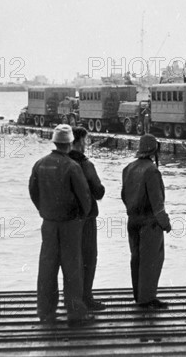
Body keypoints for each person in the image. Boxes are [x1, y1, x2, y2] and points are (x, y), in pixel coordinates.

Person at [29, 125, 94, 327]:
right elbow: (85, 197)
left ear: (55, 142)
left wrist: (44, 211)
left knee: (47, 268)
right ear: (69, 143)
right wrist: (80, 216)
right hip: (70, 225)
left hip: (48, 224)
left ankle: (46, 312)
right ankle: (75, 314)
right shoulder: (72, 166)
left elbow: (33, 192)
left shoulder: (40, 164)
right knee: (72, 268)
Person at [121, 134, 172, 309]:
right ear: (154, 149)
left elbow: (123, 196)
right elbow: (158, 203)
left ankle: (139, 296)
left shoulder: (128, 168)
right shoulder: (152, 170)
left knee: (136, 259)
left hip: (132, 221)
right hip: (149, 223)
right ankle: (147, 299)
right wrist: (165, 223)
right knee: (151, 261)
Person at [68, 127, 106, 311]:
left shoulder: (62, 162)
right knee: (89, 258)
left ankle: (72, 298)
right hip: (86, 218)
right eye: (86, 140)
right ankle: (86, 297)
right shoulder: (86, 164)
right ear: (80, 141)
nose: (87, 144)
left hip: (65, 219)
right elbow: (98, 192)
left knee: (70, 259)